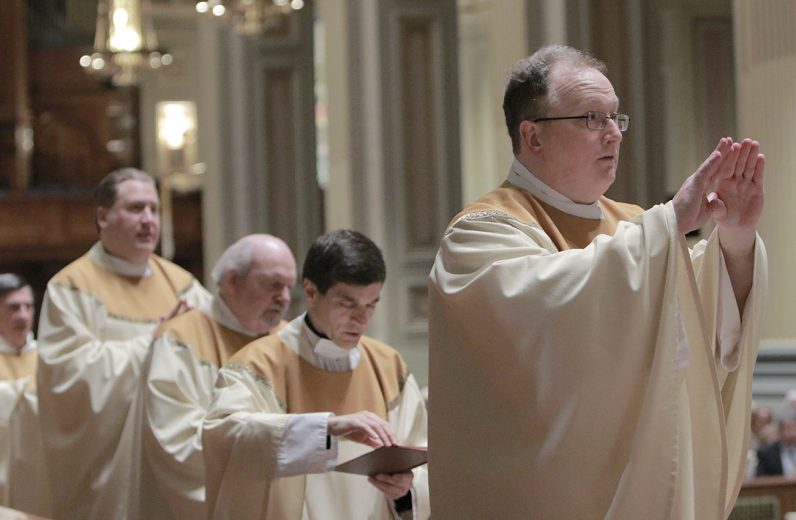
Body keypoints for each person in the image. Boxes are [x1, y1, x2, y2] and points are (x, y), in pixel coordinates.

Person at [428, 44, 767, 519]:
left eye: (616, 117)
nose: (614, 133)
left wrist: (736, 236)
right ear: (533, 136)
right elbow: (544, 317)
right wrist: (669, 223)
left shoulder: (638, 230)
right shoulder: (480, 233)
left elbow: (706, 328)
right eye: (592, 118)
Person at [203, 229, 429, 519]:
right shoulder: (257, 365)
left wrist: (406, 490)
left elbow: (420, 458)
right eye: (347, 304)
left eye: (371, 304)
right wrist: (326, 428)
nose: (361, 319)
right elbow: (225, 438)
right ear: (311, 292)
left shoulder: (388, 366)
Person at [36, 168, 211, 520]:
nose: (148, 220)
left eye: (153, 209)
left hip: (171, 458)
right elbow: (68, 375)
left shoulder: (183, 286)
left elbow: (215, 353)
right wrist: (154, 343)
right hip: (106, 466)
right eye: (135, 209)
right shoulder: (71, 287)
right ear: (103, 217)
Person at [137, 234, 297, 519]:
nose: (284, 298)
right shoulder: (178, 341)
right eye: (273, 284)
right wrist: (272, 450)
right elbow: (174, 438)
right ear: (233, 281)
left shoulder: (290, 341)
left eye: (289, 287)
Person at [0, 274, 50, 515]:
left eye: (28, 307)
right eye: (14, 307)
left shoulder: (48, 357)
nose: (23, 315)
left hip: (42, 463)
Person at [757, 407, 796, 477]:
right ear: (780, 430)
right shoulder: (766, 453)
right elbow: (760, 479)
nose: (793, 434)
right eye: (789, 429)